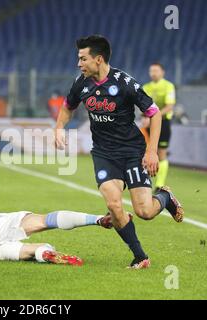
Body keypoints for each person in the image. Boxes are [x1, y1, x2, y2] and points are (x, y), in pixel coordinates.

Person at [54, 35, 184, 269]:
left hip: (132, 152)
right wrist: (59, 127)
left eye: (83, 59)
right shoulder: (81, 83)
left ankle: (164, 196)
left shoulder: (125, 83)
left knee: (144, 211)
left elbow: (154, 113)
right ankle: (140, 256)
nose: (78, 64)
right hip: (104, 154)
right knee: (114, 205)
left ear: (99, 59)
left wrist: (151, 152)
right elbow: (67, 106)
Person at [143, 63, 176, 192]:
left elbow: (169, 106)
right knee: (146, 152)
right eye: (151, 71)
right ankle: (145, 181)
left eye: (156, 70)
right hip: (148, 123)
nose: (153, 73)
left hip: (164, 122)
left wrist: (154, 116)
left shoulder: (168, 86)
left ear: (163, 72)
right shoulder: (146, 87)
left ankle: (159, 184)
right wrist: (145, 117)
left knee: (161, 152)